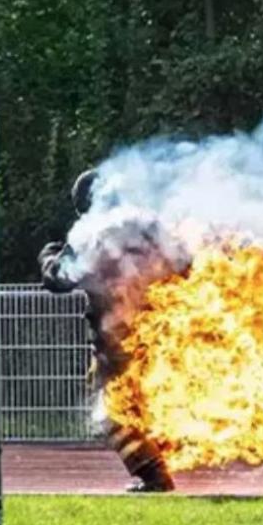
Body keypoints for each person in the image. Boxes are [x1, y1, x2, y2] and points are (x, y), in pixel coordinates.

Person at [39, 169, 189, 492]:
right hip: (163, 331)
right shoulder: (149, 223)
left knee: (109, 412)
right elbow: (186, 262)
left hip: (117, 341)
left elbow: (57, 280)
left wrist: (49, 256)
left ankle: (154, 476)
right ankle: (164, 455)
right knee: (146, 403)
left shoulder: (91, 233)